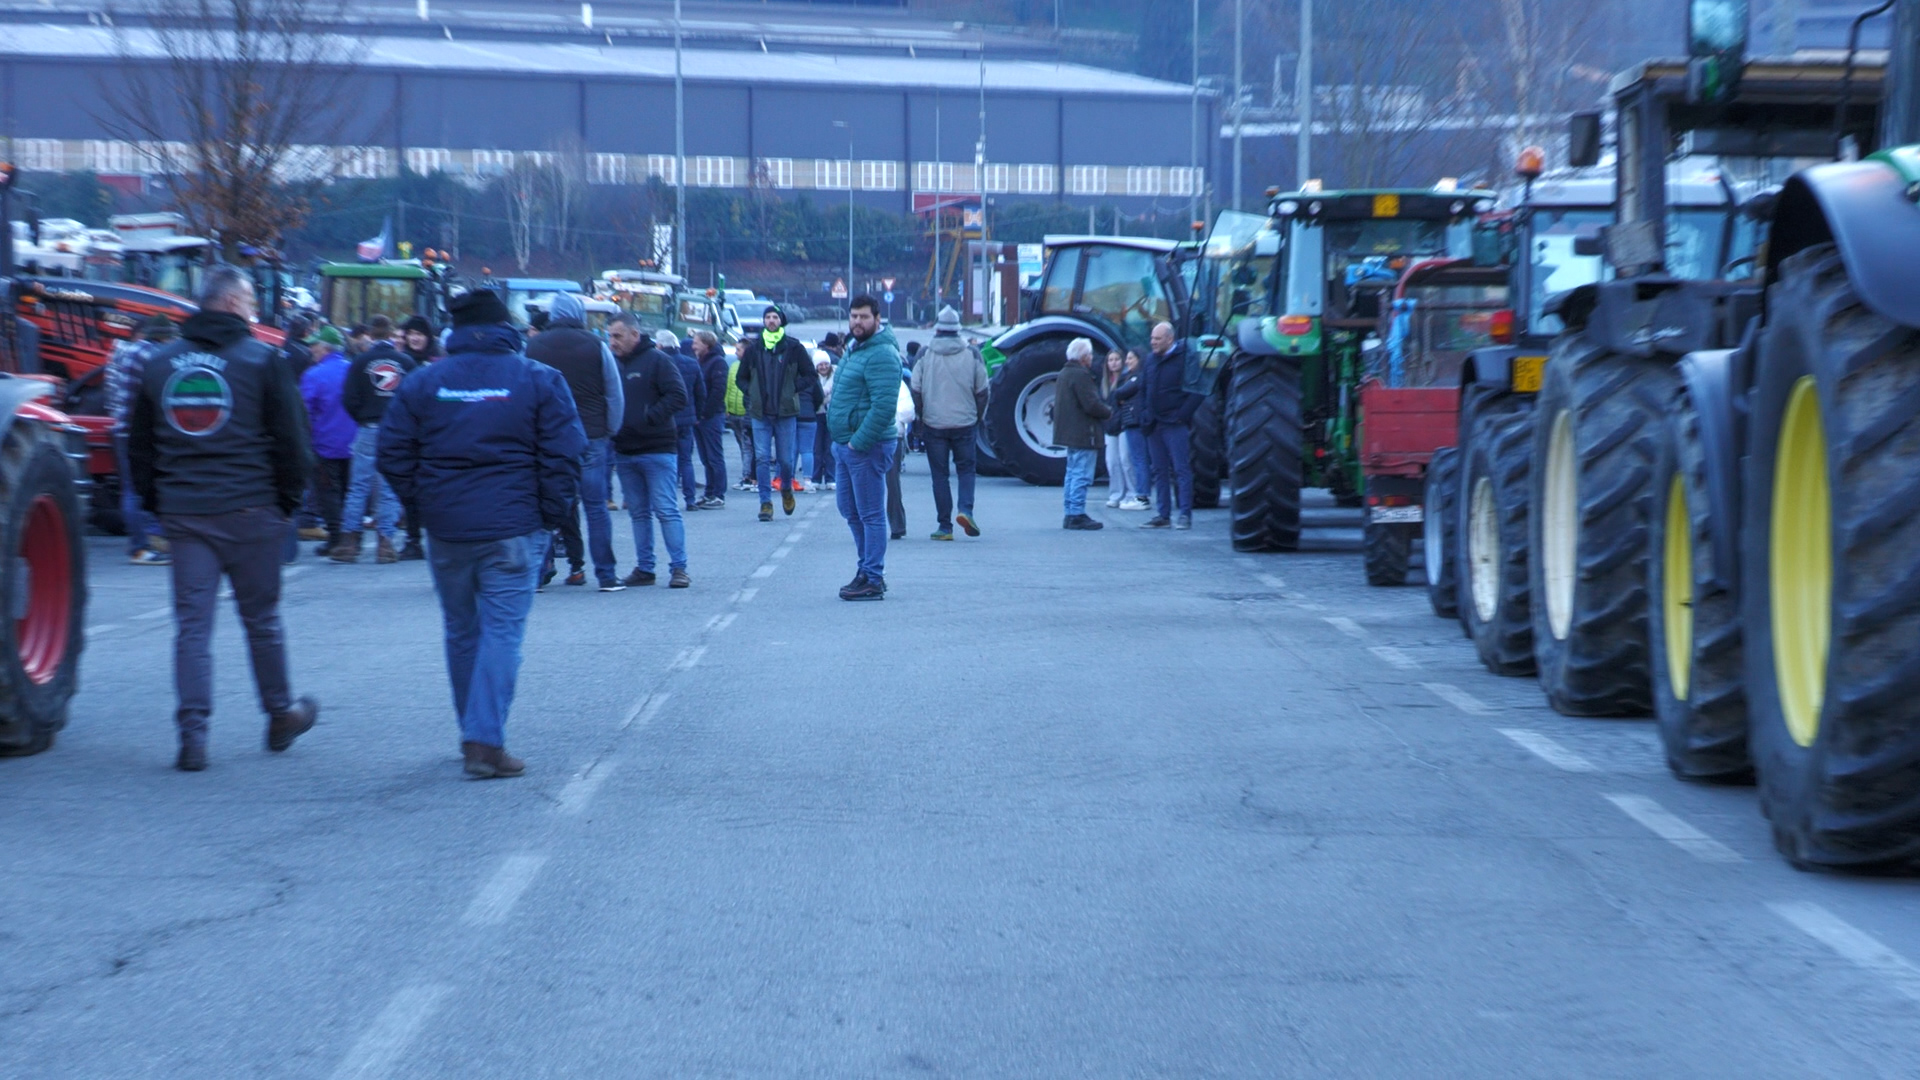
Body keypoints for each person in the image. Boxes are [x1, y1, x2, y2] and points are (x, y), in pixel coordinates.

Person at [378, 287, 586, 779]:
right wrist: (549, 515)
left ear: (454, 330)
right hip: (514, 525)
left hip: (448, 526)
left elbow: (392, 452)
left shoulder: (425, 381)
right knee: (502, 630)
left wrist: (423, 504)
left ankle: (472, 730)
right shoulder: (538, 378)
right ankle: (484, 739)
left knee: (461, 628)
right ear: (505, 327)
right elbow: (565, 453)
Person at [127, 265, 318, 771]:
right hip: (252, 508)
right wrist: (287, 502)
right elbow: (292, 442)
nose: (254, 310)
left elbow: (139, 445)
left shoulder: (160, 362)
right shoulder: (263, 359)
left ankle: (193, 735)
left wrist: (156, 502)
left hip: (186, 512)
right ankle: (279, 714)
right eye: (251, 301)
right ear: (234, 304)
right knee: (262, 620)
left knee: (192, 628)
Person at [526, 292, 625, 591]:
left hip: (549, 438)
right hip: (591, 435)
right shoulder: (596, 345)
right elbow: (613, 391)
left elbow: (524, 392)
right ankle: (606, 574)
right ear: (578, 315)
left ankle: (537, 573)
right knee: (595, 507)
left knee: (546, 505)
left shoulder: (533, 346)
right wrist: (611, 428)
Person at [827, 296, 901, 601]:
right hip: (845, 446)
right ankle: (866, 570)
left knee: (870, 514)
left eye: (864, 317)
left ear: (877, 318)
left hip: (866, 446)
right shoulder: (856, 349)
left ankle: (872, 577)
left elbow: (884, 407)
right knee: (848, 509)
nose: (857, 322)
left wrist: (858, 442)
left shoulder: (882, 354)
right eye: (853, 316)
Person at [608, 322, 692, 588]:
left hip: (657, 448)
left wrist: (649, 417)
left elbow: (678, 396)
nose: (613, 342)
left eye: (618, 336)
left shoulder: (657, 360)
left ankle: (679, 568)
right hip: (624, 450)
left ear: (635, 334)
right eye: (610, 336)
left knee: (666, 510)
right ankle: (645, 568)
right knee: (639, 513)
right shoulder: (612, 363)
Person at [333, 315, 414, 564]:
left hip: (367, 427)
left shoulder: (360, 362)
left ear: (370, 333)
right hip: (395, 431)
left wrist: (361, 416)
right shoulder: (406, 362)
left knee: (358, 486)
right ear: (391, 333)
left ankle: (349, 541)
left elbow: (348, 397)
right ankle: (385, 544)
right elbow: (415, 397)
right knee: (388, 488)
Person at [734, 304, 822, 521]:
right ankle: (765, 502)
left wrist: (792, 388)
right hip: (760, 413)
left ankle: (785, 489)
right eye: (768, 317)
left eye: (775, 317)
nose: (771, 321)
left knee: (785, 460)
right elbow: (741, 378)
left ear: (781, 321)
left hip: (785, 413)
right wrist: (751, 393)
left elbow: (810, 375)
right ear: (763, 321)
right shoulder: (754, 349)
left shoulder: (793, 347)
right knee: (762, 458)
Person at [910, 305, 988, 541]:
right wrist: (977, 416)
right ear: (957, 330)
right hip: (965, 422)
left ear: (937, 330)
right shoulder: (973, 353)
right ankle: (966, 510)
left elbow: (915, 389)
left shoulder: (924, 353)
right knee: (966, 470)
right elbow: (983, 390)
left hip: (934, 425)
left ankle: (945, 527)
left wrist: (921, 417)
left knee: (940, 475)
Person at [106, 315, 178, 565]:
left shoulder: (128, 351)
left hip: (122, 426)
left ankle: (147, 541)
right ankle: (140, 548)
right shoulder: (151, 355)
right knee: (136, 491)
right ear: (163, 336)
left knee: (131, 488)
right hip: (135, 431)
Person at [1131, 322, 1202, 529]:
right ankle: (1163, 515)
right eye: (1152, 338)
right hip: (1154, 425)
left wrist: (1181, 415)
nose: (1152, 342)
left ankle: (1185, 515)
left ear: (1169, 339)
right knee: (1159, 471)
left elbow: (1197, 391)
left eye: (1157, 339)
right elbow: (1143, 389)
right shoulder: (1151, 361)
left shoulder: (1185, 359)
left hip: (1174, 424)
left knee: (1181, 470)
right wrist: (1144, 414)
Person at [299, 325, 356, 556]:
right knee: (348, 492)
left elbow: (304, 411)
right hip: (354, 443)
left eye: (314, 345)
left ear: (325, 348)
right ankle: (350, 537)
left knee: (328, 492)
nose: (311, 349)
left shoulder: (314, 375)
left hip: (326, 443)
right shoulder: (353, 370)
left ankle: (336, 538)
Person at [1053, 337, 1112, 530]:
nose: (1092, 358)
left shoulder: (1064, 373)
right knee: (1081, 475)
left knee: (1071, 473)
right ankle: (1077, 514)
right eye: (1090, 355)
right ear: (1084, 357)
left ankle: (1070, 513)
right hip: (1084, 433)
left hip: (1069, 433)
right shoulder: (1081, 375)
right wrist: (1110, 411)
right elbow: (1091, 404)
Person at [691, 330, 729, 508]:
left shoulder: (717, 362)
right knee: (706, 458)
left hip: (711, 416)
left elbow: (717, 391)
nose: (693, 346)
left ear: (706, 344)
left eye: (696, 342)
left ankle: (718, 494)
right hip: (700, 416)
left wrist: (705, 413)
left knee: (714, 457)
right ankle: (709, 492)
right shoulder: (701, 361)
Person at [1100, 349, 1140, 509]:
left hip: (1124, 424)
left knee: (1126, 460)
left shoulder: (1126, 379)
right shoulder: (1104, 383)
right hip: (1110, 426)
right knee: (1112, 461)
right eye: (1110, 360)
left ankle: (1132, 493)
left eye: (1117, 359)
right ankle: (1116, 494)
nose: (1114, 362)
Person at [1116, 349, 1153, 510]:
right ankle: (1141, 494)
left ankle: (1142, 496)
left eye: (1131, 358)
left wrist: (1122, 397)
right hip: (1134, 421)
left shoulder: (1137, 377)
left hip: (1134, 422)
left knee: (1139, 459)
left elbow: (1119, 392)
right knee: (1139, 459)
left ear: (1139, 359)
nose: (1127, 361)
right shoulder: (1135, 376)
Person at [671, 335, 704, 510]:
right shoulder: (692, 364)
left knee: (668, 460)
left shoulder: (660, 362)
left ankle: (668, 499)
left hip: (667, 420)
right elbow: (701, 393)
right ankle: (690, 499)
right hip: (687, 420)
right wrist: (696, 415)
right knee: (686, 460)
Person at [726, 340, 756, 492]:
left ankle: (748, 476)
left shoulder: (752, 367)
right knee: (743, 446)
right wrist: (727, 406)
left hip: (746, 412)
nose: (736, 352)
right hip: (733, 412)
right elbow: (729, 387)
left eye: (738, 349)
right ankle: (748, 474)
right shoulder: (733, 366)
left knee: (748, 447)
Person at [812, 352, 836, 489]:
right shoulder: (812, 377)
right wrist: (823, 395)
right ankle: (815, 478)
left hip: (832, 415)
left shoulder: (836, 374)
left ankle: (830, 478)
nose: (823, 367)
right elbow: (817, 394)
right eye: (820, 364)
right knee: (817, 448)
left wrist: (821, 395)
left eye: (825, 363)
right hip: (817, 414)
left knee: (830, 448)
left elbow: (827, 392)